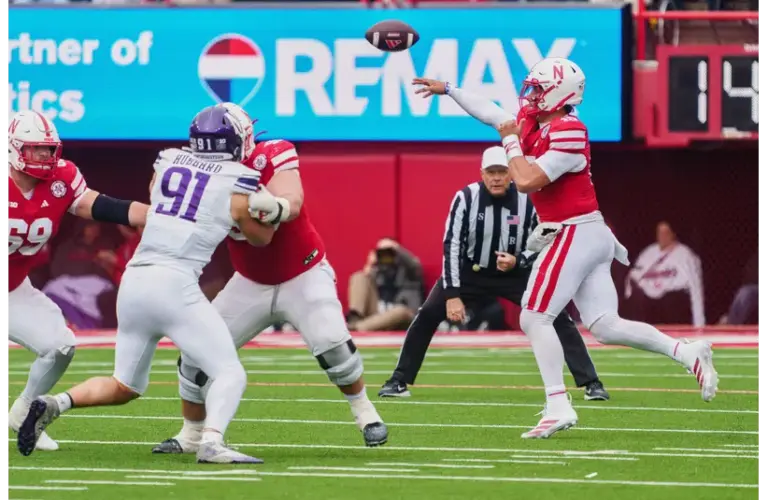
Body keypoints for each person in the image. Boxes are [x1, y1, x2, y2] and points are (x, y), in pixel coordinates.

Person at [412, 57, 718, 439]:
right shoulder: (533, 119)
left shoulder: (570, 130)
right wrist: (450, 91)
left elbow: (525, 180)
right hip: (584, 232)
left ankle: (557, 404)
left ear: (560, 93)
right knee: (605, 326)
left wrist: (509, 140)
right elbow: (495, 114)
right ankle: (687, 353)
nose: (532, 95)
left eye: (540, 89)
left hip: (575, 230)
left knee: (533, 316)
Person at [17, 104, 274, 464]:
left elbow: (160, 199)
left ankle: (54, 403)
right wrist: (271, 213)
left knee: (125, 385)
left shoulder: (169, 160)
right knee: (229, 372)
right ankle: (212, 441)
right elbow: (258, 237)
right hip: (175, 283)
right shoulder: (240, 179)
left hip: (136, 282)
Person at [151, 103, 388, 455]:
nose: (214, 157)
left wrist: (276, 206)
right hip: (249, 281)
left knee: (333, 344)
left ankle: (364, 411)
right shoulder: (195, 170)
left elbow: (292, 197)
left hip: (302, 273)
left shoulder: (271, 153)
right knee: (194, 353)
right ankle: (191, 434)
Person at [379, 146, 609, 401]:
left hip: (515, 273)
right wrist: (452, 294)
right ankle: (398, 380)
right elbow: (452, 245)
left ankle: (591, 382)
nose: (496, 177)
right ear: (482, 174)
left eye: (501, 171)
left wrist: (520, 259)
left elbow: (547, 239)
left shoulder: (529, 199)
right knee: (427, 315)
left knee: (556, 315)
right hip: (471, 271)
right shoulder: (466, 198)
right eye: (491, 172)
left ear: (511, 174)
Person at [8, 110, 149, 452]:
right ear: (13, 149)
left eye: (47, 149)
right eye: (34, 150)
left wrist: (154, 215)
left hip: (13, 288)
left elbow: (97, 205)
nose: (43, 157)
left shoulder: (62, 178)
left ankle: (25, 411)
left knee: (60, 345)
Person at [624, 221, 705, 326]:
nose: (662, 236)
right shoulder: (648, 253)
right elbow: (635, 276)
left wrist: (699, 323)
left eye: (666, 232)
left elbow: (696, 288)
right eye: (660, 232)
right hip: (650, 303)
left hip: (674, 302)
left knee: (671, 301)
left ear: (673, 234)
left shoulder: (685, 255)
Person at [346, 238, 424, 332]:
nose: (386, 255)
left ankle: (356, 328)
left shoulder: (409, 272)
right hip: (376, 316)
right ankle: (355, 319)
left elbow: (414, 265)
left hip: (402, 315)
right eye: (381, 252)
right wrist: (370, 264)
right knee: (359, 276)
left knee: (401, 310)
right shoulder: (377, 270)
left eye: (389, 251)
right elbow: (364, 282)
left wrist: (396, 249)